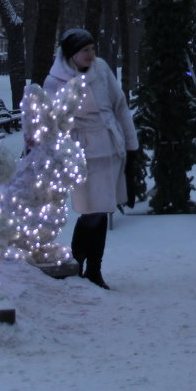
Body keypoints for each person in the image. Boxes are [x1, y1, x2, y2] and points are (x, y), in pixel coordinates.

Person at [43, 28, 138, 289]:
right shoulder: (56, 81)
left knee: (103, 209)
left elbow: (120, 106)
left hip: (111, 148)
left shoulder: (102, 69)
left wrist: (131, 145)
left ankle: (93, 269)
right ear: (72, 53)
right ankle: (78, 263)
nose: (91, 55)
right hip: (82, 154)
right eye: (85, 50)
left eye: (93, 49)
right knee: (91, 212)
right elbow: (52, 123)